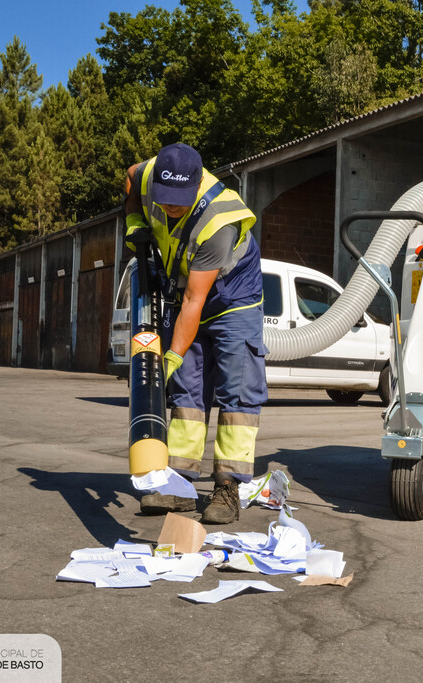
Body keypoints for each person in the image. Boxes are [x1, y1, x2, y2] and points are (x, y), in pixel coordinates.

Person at [123, 143, 267, 524]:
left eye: (178, 201)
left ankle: (227, 488)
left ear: (196, 184)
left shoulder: (219, 221)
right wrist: (135, 223)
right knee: (186, 393)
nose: (170, 208)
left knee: (236, 393)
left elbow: (193, 301)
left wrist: (171, 356)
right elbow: (131, 175)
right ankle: (179, 486)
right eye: (164, 199)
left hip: (232, 298)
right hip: (186, 290)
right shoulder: (149, 174)